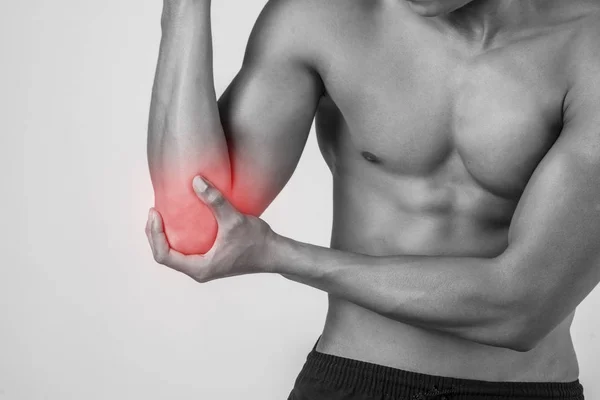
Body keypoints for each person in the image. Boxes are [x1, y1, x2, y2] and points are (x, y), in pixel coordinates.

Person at [145, 0, 600, 398]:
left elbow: (524, 309)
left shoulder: (587, 44)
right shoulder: (322, 16)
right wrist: (184, 7)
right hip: (351, 383)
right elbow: (197, 229)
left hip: (526, 391)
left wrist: (279, 254)